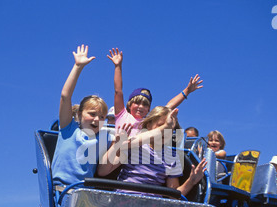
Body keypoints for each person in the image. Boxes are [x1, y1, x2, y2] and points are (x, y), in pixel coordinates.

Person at [98, 106, 207, 197]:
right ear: (148, 125)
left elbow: (173, 195)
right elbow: (103, 171)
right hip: (124, 199)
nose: (165, 131)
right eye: (161, 126)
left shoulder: (172, 157)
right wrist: (115, 146)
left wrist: (191, 181)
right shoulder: (135, 146)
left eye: (170, 129)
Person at [51, 45, 112, 188]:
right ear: (79, 115)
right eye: (92, 114)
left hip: (85, 192)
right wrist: (78, 67)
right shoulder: (68, 128)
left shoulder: (104, 137)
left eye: (102, 117)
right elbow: (65, 96)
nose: (97, 119)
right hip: (62, 189)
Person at [107, 47, 203, 137]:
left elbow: (169, 106)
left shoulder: (148, 123)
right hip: (121, 152)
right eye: (137, 103)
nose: (140, 106)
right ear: (129, 105)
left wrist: (187, 91)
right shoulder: (122, 114)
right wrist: (118, 66)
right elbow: (118, 91)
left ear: (149, 109)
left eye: (145, 105)